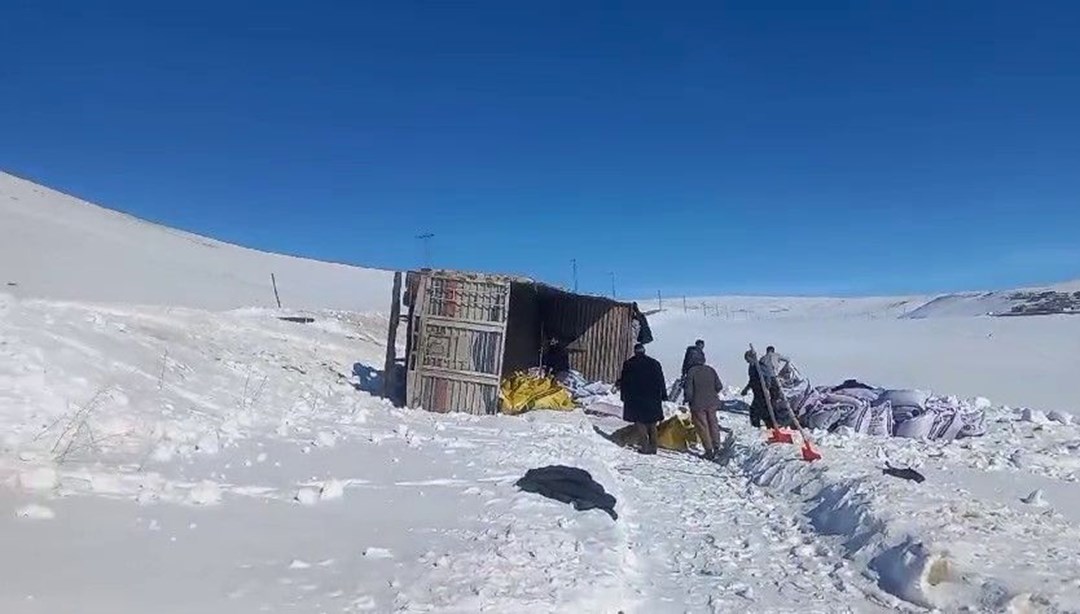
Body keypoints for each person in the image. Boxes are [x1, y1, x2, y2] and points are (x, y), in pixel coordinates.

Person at [617, 343, 667, 454]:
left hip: (635, 397)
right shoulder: (654, 363)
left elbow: (624, 382)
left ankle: (644, 446)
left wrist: (623, 396)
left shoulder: (629, 364)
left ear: (635, 352)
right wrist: (663, 395)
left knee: (640, 421)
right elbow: (661, 380)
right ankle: (654, 447)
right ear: (644, 351)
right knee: (652, 422)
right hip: (652, 397)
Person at [683, 352, 724, 459]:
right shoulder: (710, 370)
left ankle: (709, 450)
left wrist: (687, 399)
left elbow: (688, 390)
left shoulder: (691, 371)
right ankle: (717, 447)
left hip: (698, 404)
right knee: (713, 423)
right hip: (712, 403)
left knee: (703, 426)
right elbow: (719, 386)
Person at [741, 350, 773, 429]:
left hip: (762, 391)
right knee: (759, 410)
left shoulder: (760, 366)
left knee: (759, 410)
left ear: (751, 357)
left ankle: (768, 425)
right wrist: (746, 389)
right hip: (756, 391)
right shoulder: (751, 367)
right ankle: (759, 426)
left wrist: (767, 386)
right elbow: (752, 380)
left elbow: (767, 376)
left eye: (747, 358)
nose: (747, 361)